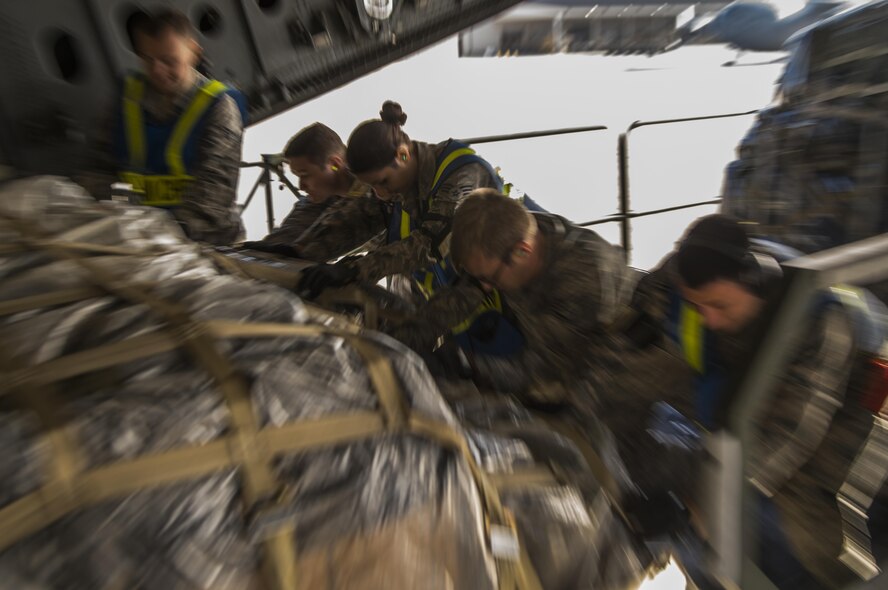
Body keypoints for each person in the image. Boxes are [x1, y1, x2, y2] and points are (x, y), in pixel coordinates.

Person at [620, 214, 887, 589]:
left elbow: (785, 440)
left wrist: (690, 505)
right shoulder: (698, 280)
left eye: (719, 306)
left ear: (754, 279)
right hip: (751, 422)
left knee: (807, 549)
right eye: (698, 308)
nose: (708, 319)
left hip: (847, 439)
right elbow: (659, 284)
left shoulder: (820, 324)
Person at [297, 101, 543, 356]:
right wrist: (301, 251)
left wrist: (352, 269)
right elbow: (355, 223)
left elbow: (431, 243)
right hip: (482, 326)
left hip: (536, 303)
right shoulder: (397, 195)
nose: (380, 194)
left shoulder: (464, 172)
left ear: (403, 155)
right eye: (373, 187)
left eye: (383, 182)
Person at [449, 188, 634, 401]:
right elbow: (460, 294)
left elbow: (544, 371)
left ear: (522, 252)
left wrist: (466, 363)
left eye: (490, 278)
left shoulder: (583, 277)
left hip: (605, 391)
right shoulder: (511, 233)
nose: (486, 288)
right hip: (544, 357)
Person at [83, 9, 246, 245]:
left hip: (207, 242)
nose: (158, 71)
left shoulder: (219, 108)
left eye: (169, 61)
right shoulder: (126, 98)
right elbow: (97, 168)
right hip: (139, 236)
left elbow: (212, 194)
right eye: (148, 60)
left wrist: (157, 238)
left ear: (194, 52)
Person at [241, 123, 384, 262]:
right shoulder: (323, 197)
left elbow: (351, 222)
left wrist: (303, 253)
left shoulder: (378, 185)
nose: (301, 186)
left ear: (334, 165)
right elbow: (293, 232)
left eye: (305, 174)